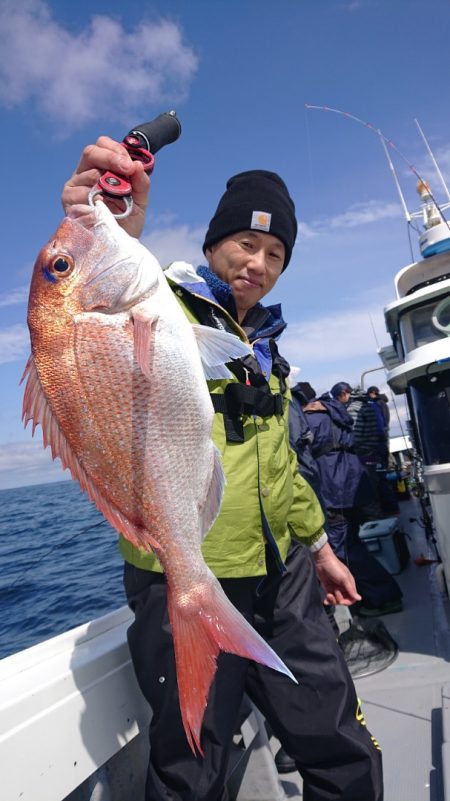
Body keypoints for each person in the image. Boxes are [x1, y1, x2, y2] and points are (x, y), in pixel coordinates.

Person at [62, 145, 383, 801]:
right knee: (190, 764)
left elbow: (283, 464)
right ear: (213, 243)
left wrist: (320, 547)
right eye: (244, 242)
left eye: (275, 254)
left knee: (340, 743)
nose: (257, 263)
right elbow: (104, 298)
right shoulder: (163, 310)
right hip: (185, 574)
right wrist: (107, 224)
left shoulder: (267, 347)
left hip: (284, 575)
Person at [302, 382, 402, 616]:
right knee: (352, 542)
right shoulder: (337, 412)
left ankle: (384, 597)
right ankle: (368, 594)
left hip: (334, 491)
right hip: (353, 485)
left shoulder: (310, 421)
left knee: (343, 549)